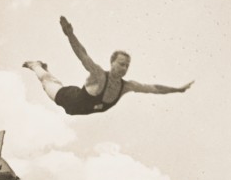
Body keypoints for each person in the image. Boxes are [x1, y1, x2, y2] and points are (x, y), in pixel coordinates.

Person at [23, 16, 194, 116]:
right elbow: (82, 55)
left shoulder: (127, 86)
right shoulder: (98, 74)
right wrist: (70, 34)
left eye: (127, 65)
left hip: (79, 103)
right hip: (68, 99)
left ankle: (44, 68)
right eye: (121, 64)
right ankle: (36, 65)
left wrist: (177, 90)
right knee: (46, 81)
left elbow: (154, 88)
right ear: (111, 63)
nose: (124, 68)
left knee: (52, 80)